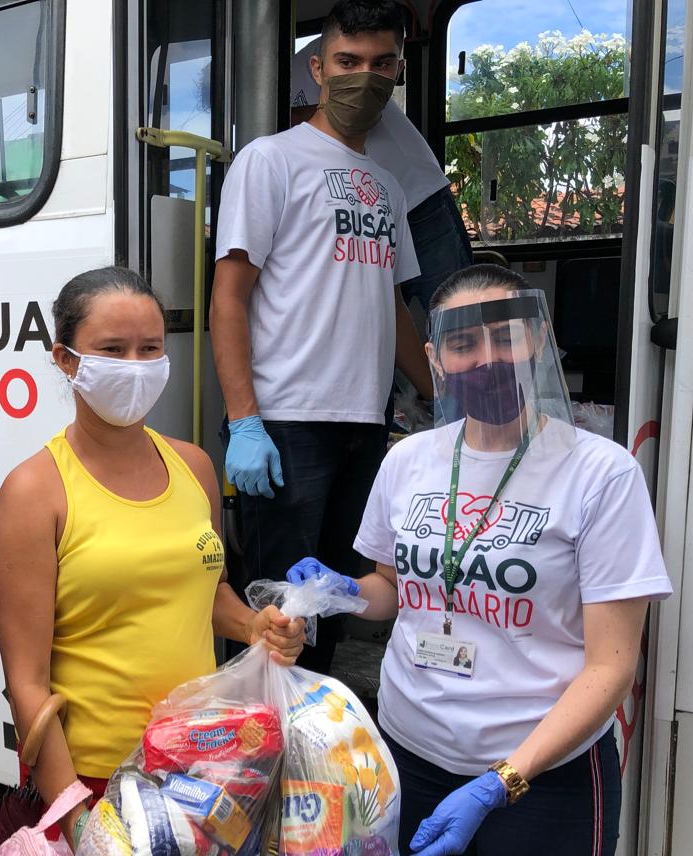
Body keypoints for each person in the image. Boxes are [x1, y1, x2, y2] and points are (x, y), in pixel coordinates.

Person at [297, 264, 672, 855]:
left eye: (507, 336)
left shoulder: (600, 473)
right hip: (405, 757)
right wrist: (340, 589)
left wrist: (503, 781)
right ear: (436, 357)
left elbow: (611, 668)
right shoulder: (409, 461)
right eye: (464, 343)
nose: (487, 358)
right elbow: (391, 589)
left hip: (542, 777)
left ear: (539, 340)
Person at [0, 267, 308, 849]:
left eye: (150, 348)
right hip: (96, 778)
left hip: (202, 761)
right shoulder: (36, 491)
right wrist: (76, 816)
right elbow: (27, 681)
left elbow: (209, 593)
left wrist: (257, 625)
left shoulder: (194, 467)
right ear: (65, 359)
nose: (135, 366)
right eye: (113, 350)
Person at [210, 0, 432, 674]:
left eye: (379, 64)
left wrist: (442, 394)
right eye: (347, 62)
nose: (363, 77)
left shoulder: (389, 186)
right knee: (277, 612)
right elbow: (230, 296)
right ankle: (257, 753)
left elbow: (390, 306)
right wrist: (245, 418)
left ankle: (315, 749)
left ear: (397, 71)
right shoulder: (270, 161)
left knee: (335, 602)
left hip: (364, 426)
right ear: (318, 67)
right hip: (285, 425)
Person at [290, 36, 474, 313]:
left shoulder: (324, 51)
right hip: (365, 214)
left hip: (419, 201)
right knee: (379, 318)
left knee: (459, 315)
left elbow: (340, 112)